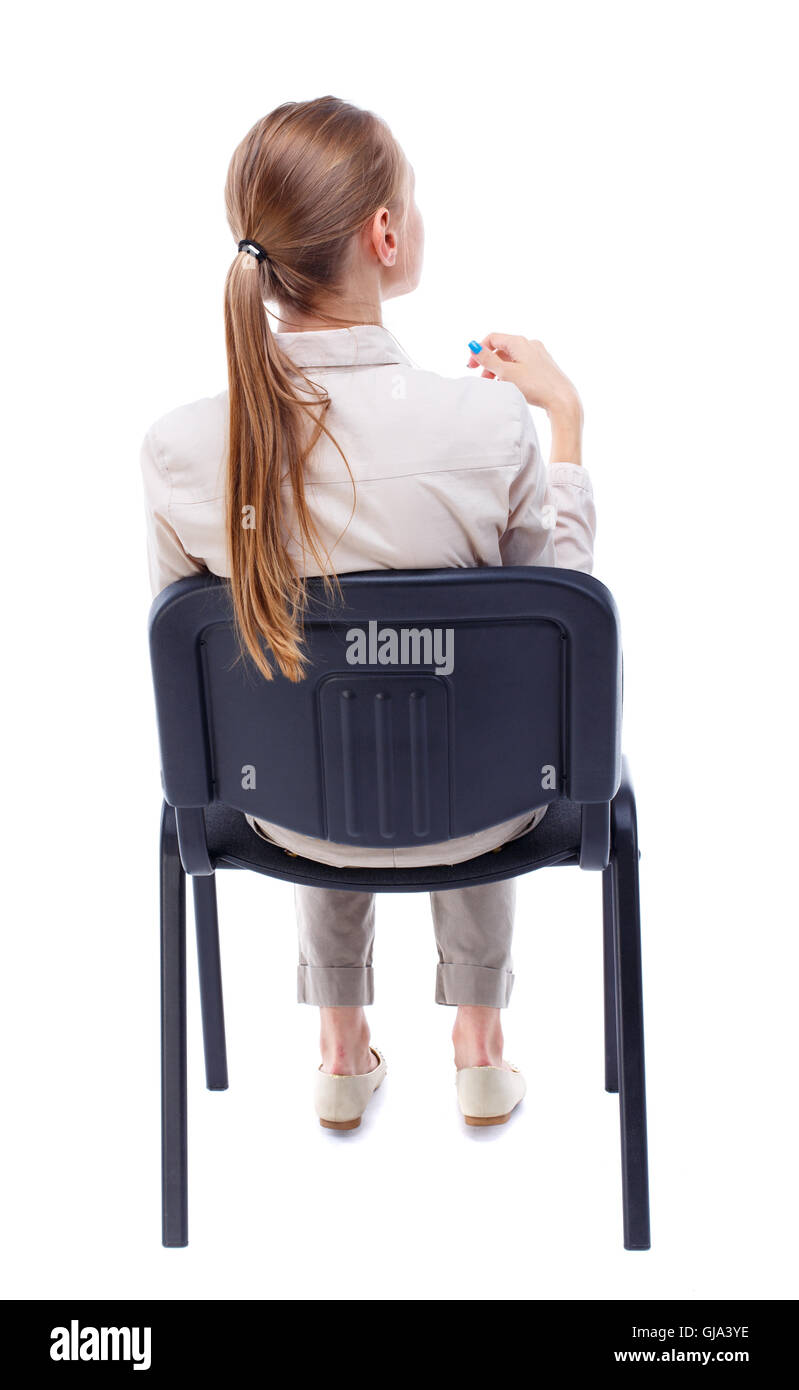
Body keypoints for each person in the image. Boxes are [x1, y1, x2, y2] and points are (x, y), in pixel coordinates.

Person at [141, 95, 596, 1131]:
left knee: (301, 695)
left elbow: (211, 683)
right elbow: (561, 630)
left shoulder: (179, 449)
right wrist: (562, 421)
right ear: (383, 235)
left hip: (285, 813)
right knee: (477, 706)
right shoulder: (489, 423)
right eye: (413, 202)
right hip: (490, 806)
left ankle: (339, 1046)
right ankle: (480, 1041)